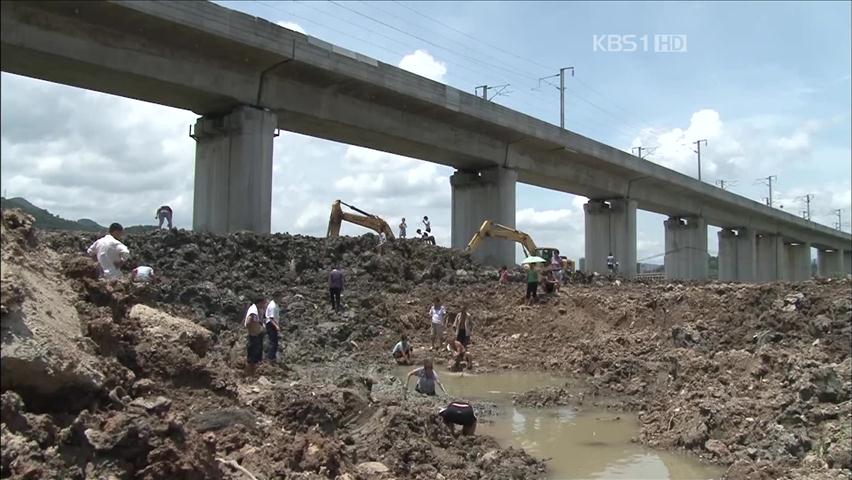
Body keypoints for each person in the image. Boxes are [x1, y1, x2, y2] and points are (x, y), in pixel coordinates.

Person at [244, 300, 266, 376]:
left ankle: (255, 368)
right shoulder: (253, 311)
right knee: (253, 352)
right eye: (263, 303)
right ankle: (250, 371)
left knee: (257, 350)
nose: (264, 304)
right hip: (253, 334)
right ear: (259, 303)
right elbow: (248, 322)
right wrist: (252, 329)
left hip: (257, 334)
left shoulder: (258, 310)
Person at [265, 296, 281, 362]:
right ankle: (270, 358)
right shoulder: (272, 306)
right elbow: (271, 318)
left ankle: (272, 357)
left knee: (275, 342)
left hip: (273, 324)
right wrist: (276, 326)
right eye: (280, 297)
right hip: (270, 324)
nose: (281, 299)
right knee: (273, 342)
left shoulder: (276, 304)